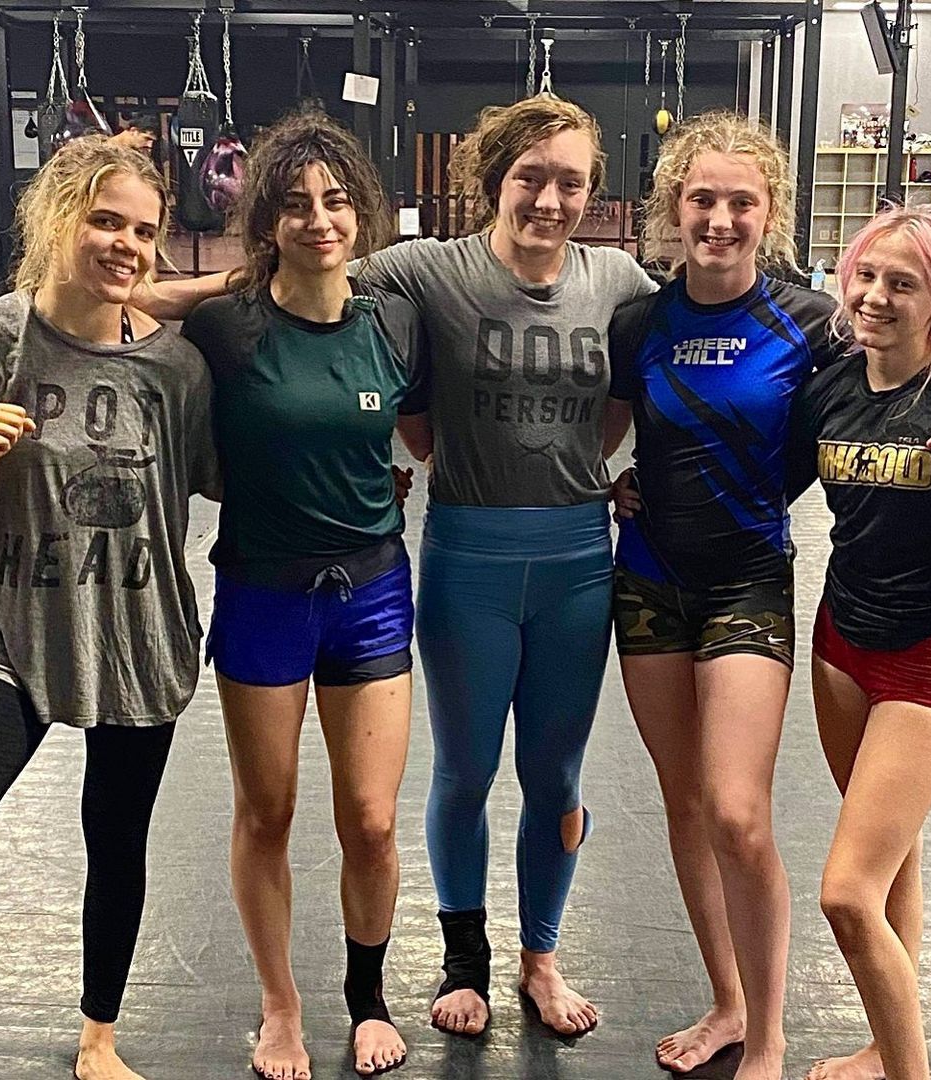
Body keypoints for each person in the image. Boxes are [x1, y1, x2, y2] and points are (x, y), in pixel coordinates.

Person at [349, 95, 656, 1038]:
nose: (550, 200)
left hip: (577, 559)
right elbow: (303, 278)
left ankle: (541, 959)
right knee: (466, 770)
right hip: (468, 558)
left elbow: (652, 378)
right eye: (530, 177)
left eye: (571, 182)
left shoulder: (617, 280)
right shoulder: (429, 269)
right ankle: (465, 962)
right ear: (493, 179)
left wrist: (623, 471)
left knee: (556, 777)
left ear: (593, 192)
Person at [0, 136, 219, 1080]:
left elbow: (232, 476)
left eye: (143, 230)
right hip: (9, 638)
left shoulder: (176, 371)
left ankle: (99, 1036)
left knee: (118, 842)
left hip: (138, 638)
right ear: (55, 217)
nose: (126, 245)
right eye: (105, 221)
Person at [180, 111, 429, 1080]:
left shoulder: (394, 321)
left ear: (361, 211)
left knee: (370, 820)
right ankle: (280, 1007)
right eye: (294, 205)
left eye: (334, 201)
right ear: (268, 223)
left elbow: (426, 432)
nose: (319, 220)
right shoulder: (228, 327)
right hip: (263, 594)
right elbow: (133, 302)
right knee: (268, 813)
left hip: (370, 589)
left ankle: (368, 999)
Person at [606, 112, 839, 1080]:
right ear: (674, 207)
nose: (720, 219)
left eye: (742, 201)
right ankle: (728, 1004)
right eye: (702, 199)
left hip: (748, 580)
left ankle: (770, 1035)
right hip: (649, 579)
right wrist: (615, 485)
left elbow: (902, 378)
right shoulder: (640, 323)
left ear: (769, 212)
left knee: (738, 812)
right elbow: (598, 434)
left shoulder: (811, 324)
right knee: (687, 803)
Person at [785, 206, 931, 1080]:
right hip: (841, 646)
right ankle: (884, 1048)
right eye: (866, 277)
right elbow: (764, 484)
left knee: (847, 895)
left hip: (926, 661)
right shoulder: (831, 390)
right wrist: (646, 496)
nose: (875, 298)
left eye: (902, 284)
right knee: (891, 863)